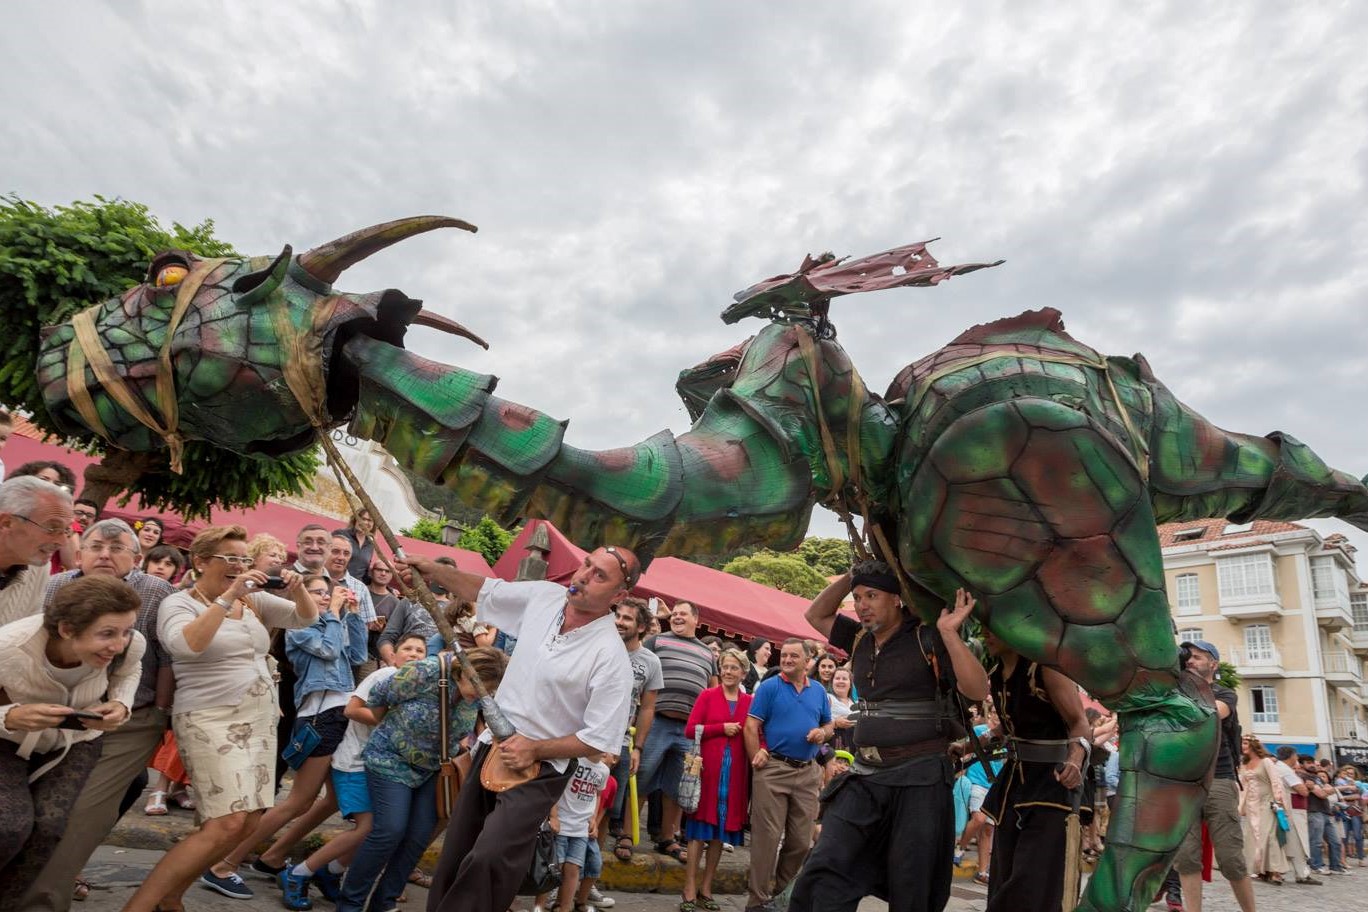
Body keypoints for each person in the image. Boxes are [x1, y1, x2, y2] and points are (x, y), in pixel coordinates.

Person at [410, 545, 637, 912]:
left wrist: (535, 748)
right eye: (586, 565)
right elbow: (485, 591)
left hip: (542, 769)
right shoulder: (546, 597)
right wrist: (432, 570)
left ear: (619, 595)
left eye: (599, 576)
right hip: (491, 746)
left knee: (491, 856)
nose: (583, 576)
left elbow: (598, 738)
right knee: (458, 850)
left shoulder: (611, 657)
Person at [123, 524, 318, 911]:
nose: (239, 566)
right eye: (229, 558)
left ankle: (172, 897)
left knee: (249, 820)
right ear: (200, 561)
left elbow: (305, 619)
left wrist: (298, 588)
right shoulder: (180, 603)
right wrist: (230, 594)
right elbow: (187, 645)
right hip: (210, 719)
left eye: (243, 559)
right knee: (225, 823)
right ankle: (139, 906)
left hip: (260, 720)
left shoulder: (256, 602)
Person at [791, 562, 989, 912]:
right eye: (857, 597)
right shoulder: (858, 639)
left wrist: (949, 634)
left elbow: (976, 689)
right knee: (824, 868)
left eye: (872, 595)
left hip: (921, 779)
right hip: (866, 776)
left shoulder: (926, 637)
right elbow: (815, 613)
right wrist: (852, 576)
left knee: (913, 885)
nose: (862, 604)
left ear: (897, 599)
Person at [23, 519, 177, 911]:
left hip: (130, 720)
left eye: (117, 547)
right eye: (96, 546)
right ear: (79, 552)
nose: (105, 554)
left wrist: (158, 713)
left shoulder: (156, 591)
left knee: (84, 812)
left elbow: (165, 660)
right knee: (39, 809)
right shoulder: (56, 586)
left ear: (136, 557)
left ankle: (40, 901)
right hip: (57, 716)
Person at [213, 573, 369, 893]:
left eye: (327, 593)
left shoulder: (331, 623)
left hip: (338, 713)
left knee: (332, 800)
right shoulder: (300, 627)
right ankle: (224, 863)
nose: (325, 598)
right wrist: (335, 614)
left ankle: (273, 856)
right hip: (319, 715)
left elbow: (357, 657)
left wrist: (352, 616)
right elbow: (327, 651)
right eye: (317, 593)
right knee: (298, 801)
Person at [0, 575, 144, 895]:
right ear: (66, 629)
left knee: (50, 827)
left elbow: (129, 670)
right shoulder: (9, 646)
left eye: (126, 631)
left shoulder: (130, 644)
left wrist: (121, 702)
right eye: (107, 633)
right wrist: (9, 716)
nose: (119, 644)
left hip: (77, 739)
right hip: (8, 739)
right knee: (8, 826)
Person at [279, 632, 432, 909]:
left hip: (384, 767)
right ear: (393, 655)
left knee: (385, 831)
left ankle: (331, 872)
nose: (413, 654)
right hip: (354, 763)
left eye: (420, 651)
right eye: (407, 648)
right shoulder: (384, 676)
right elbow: (351, 709)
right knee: (371, 828)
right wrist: (385, 722)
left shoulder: (418, 686)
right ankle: (298, 873)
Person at [978, 630, 1089, 912]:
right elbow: (1012, 721)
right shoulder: (995, 673)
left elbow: (1079, 722)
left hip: (1052, 785)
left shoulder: (1045, 669)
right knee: (1005, 871)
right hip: (1012, 786)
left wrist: (1075, 759)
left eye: (993, 628)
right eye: (983, 627)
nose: (985, 634)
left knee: (1035, 877)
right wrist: (971, 746)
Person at [743, 638, 833, 911]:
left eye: (795, 656)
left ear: (808, 662)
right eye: (784, 655)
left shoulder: (818, 691)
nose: (787, 659)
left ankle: (783, 899)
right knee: (766, 840)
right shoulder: (770, 687)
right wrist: (755, 754)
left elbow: (828, 725)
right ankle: (757, 903)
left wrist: (823, 733)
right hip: (774, 771)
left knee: (800, 842)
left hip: (807, 773)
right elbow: (750, 725)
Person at [1175, 640, 1256, 912]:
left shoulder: (1223, 693)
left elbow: (1212, 713)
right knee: (1186, 858)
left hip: (1218, 779)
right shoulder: (1175, 692)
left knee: (1231, 857)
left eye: (1198, 657)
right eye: (1189, 656)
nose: (1191, 660)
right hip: (1184, 782)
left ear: (1213, 664)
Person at [638, 600, 718, 863]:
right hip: (655, 721)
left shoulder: (708, 653)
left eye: (683, 613)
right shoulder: (656, 642)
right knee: (641, 778)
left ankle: (668, 838)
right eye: (674, 614)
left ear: (697, 619)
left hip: (688, 730)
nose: (677, 617)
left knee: (678, 787)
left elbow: (713, 692)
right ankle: (628, 834)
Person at [682, 647, 753, 912]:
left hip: (735, 776)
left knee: (719, 834)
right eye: (724, 666)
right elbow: (690, 730)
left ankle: (706, 888)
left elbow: (757, 732)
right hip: (707, 772)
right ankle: (689, 888)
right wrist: (719, 729)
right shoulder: (707, 695)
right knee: (698, 831)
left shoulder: (750, 702)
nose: (728, 671)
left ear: (744, 672)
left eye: (734, 667)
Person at [608, 596, 662, 863]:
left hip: (618, 743)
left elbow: (648, 708)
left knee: (606, 813)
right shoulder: (601, 645)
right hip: (582, 739)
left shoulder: (651, 662)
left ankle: (586, 881)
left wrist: (638, 747)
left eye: (627, 618)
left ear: (641, 627)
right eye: (618, 615)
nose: (619, 622)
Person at [535, 750, 617, 912]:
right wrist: (554, 816)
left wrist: (593, 818)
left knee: (574, 869)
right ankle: (539, 907)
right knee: (553, 868)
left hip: (581, 828)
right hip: (562, 824)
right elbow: (555, 787)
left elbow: (597, 795)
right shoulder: (573, 760)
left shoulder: (603, 770)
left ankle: (565, 907)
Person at [0, 476, 70, 626]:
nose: (62, 542)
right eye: (52, 528)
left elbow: (24, 635)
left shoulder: (39, 568)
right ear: (6, 523)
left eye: (66, 530)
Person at [6, 463, 80, 572]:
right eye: (44, 480)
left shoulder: (69, 523)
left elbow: (73, 564)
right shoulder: (8, 509)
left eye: (58, 484)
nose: (51, 486)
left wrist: (65, 524)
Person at [1238, 734, 1288, 884]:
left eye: (1245, 743)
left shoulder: (1266, 761)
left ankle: (1275, 870)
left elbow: (1276, 781)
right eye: (1242, 744)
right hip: (1251, 805)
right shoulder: (1243, 765)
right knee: (1253, 838)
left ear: (1254, 745)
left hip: (1267, 803)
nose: (1243, 746)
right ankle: (1260, 869)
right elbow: (1242, 786)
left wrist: (1278, 801)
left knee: (1269, 836)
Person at [1272, 745, 1320, 885]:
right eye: (1296, 755)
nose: (1297, 758)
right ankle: (1301, 874)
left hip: (1289, 809)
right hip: (1294, 810)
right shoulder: (1285, 770)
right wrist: (1309, 786)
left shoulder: (1279, 768)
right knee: (1298, 842)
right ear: (1291, 756)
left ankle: (1295, 872)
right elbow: (1302, 791)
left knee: (1291, 843)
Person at [1304, 757, 1348, 875]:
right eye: (1308, 763)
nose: (1312, 765)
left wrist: (1323, 789)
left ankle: (1335, 866)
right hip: (1314, 811)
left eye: (1313, 762)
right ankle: (1316, 866)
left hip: (1326, 812)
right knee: (1316, 841)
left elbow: (1331, 789)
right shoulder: (1304, 777)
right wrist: (1323, 790)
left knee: (1335, 841)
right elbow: (1322, 794)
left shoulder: (1317, 778)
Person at [334, 509, 378, 580]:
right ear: (355, 520)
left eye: (370, 520)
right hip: (337, 581)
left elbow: (365, 571)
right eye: (363, 519)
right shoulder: (341, 534)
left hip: (356, 587)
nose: (365, 522)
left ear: (373, 525)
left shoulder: (370, 544)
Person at [1335, 765, 1364, 864]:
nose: (1349, 776)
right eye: (1347, 774)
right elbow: (1337, 796)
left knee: (1358, 835)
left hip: (1355, 811)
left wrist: (1345, 798)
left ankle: (1361, 859)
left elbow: (1359, 795)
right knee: (1344, 836)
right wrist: (1351, 797)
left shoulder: (1358, 785)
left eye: (1351, 774)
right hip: (1344, 812)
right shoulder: (1339, 783)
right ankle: (1344, 859)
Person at [828, 666, 856, 754]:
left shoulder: (855, 702)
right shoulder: (827, 697)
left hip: (853, 747)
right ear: (832, 682)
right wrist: (835, 723)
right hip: (832, 745)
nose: (840, 681)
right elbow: (815, 721)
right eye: (837, 678)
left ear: (850, 684)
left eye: (844, 679)